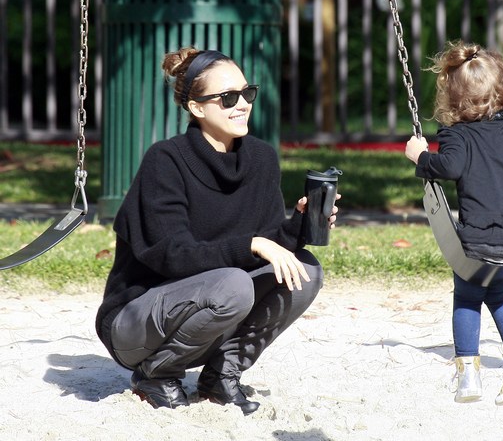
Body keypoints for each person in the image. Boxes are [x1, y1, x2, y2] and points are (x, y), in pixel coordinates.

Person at [95, 47, 340, 414]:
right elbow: (173, 255)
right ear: (196, 108)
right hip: (136, 321)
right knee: (234, 284)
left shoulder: (260, 158)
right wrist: (253, 244)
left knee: (305, 270)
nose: (242, 104)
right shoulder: (166, 161)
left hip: (213, 300)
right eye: (228, 98)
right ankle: (157, 373)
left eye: (247, 93)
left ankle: (221, 376)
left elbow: (268, 241)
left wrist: (300, 226)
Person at [405, 41, 503, 405]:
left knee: (467, 295)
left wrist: (419, 157)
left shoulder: (456, 136)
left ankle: (468, 376)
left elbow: (449, 168)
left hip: (478, 244)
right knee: (500, 292)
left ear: (453, 100)